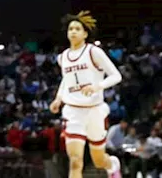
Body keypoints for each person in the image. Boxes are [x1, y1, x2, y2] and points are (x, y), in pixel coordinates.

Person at [50, 12, 122, 178]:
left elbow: (116, 75)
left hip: (94, 111)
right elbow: (66, 80)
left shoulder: (93, 52)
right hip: (73, 111)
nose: (73, 32)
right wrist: (58, 98)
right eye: (70, 29)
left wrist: (97, 86)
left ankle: (112, 165)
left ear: (85, 34)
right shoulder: (62, 57)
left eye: (77, 29)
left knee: (98, 160)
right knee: (75, 161)